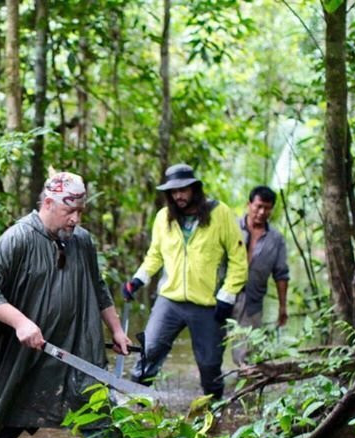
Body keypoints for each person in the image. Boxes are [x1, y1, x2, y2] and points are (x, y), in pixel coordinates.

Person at [0, 172, 132, 438]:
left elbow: (98, 287)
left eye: (79, 212)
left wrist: (116, 330)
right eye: (69, 211)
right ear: (48, 203)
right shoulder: (18, 237)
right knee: (1, 422)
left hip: (78, 351)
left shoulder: (82, 241)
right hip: (29, 355)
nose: (75, 219)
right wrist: (21, 323)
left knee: (101, 418)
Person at [123, 163, 247, 399]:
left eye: (183, 189)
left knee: (210, 363)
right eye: (173, 191)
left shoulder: (219, 214)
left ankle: (214, 409)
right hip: (169, 300)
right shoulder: (163, 218)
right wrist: (138, 280)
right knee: (149, 349)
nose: (178, 195)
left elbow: (238, 258)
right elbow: (155, 255)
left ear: (195, 189)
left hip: (208, 304)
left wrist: (227, 296)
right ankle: (135, 400)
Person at [232, 186, 290, 366]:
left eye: (267, 208)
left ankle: (244, 392)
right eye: (258, 206)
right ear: (249, 205)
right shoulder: (231, 227)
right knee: (212, 350)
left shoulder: (276, 239)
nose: (262, 212)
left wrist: (282, 306)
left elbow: (281, 274)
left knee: (246, 356)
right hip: (222, 296)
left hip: (253, 301)